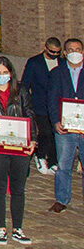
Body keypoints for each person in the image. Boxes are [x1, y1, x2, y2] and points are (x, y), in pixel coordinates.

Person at [0, 57, 36, 244]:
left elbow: (29, 114)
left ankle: (17, 228)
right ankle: (1, 228)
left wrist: (33, 139)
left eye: (5, 73)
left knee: (19, 188)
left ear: (11, 73)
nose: (2, 76)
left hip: (19, 144)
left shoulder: (21, 91)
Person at [47, 38, 84, 213]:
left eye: (78, 49)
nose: (74, 52)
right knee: (63, 165)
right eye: (71, 50)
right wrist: (55, 121)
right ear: (65, 53)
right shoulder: (56, 73)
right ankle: (61, 199)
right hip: (64, 128)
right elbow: (52, 100)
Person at [21, 37, 61, 174]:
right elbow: (25, 84)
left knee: (55, 133)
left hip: (57, 104)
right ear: (46, 48)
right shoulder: (34, 62)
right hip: (39, 104)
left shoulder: (61, 62)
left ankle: (54, 161)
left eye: (57, 52)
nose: (55, 55)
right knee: (45, 132)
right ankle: (40, 156)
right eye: (52, 52)